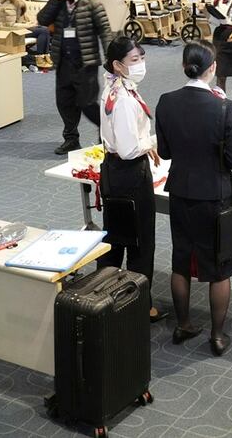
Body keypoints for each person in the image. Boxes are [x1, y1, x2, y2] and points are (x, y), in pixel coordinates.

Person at [155, 40, 232, 357]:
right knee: (219, 267)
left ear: (184, 66)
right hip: (215, 195)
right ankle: (217, 336)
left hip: (180, 191)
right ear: (213, 69)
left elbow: (164, 152)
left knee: (181, 260)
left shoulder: (166, 102)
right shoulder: (224, 107)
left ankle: (183, 324)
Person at [96, 36, 166, 321]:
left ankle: (103, 297)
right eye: (134, 61)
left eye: (142, 58)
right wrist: (150, 144)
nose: (141, 65)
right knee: (140, 242)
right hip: (129, 173)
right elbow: (127, 149)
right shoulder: (123, 99)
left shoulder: (114, 87)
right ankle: (141, 306)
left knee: (116, 237)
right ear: (117, 65)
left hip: (114, 171)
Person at [37, 0, 113, 155]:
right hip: (63, 62)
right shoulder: (59, 3)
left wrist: (112, 60)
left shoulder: (92, 4)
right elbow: (43, 20)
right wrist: (55, 0)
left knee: (87, 103)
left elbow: (105, 32)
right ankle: (71, 139)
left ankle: (108, 134)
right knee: (64, 102)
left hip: (85, 63)